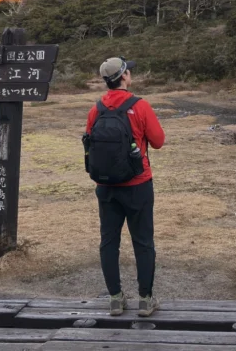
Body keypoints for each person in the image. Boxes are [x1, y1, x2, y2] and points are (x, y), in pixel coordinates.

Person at [83, 57, 165, 317]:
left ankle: (115, 300)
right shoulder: (140, 106)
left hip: (105, 187)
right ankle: (145, 300)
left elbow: (89, 142)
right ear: (125, 76)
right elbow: (159, 141)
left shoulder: (96, 109)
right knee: (143, 242)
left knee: (109, 241)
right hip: (138, 184)